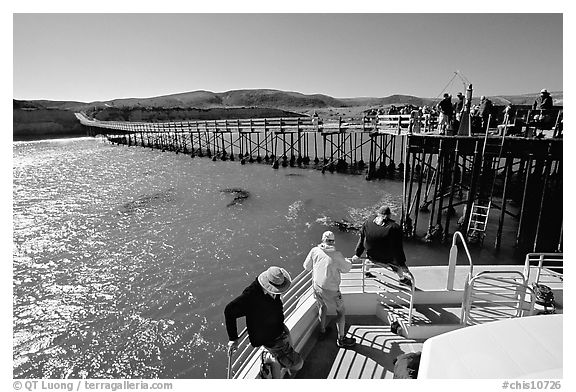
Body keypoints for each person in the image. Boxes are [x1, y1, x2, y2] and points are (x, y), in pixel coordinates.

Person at [225, 266, 303, 378]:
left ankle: (278, 359)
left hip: (279, 328)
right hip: (269, 337)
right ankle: (269, 356)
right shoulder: (250, 296)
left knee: (289, 340)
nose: (279, 292)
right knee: (298, 364)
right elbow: (229, 310)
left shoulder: (272, 289)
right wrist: (233, 339)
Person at [303, 231, 356, 348]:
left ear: (322, 240)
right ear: (333, 242)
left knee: (322, 307)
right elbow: (347, 268)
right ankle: (341, 339)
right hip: (331, 290)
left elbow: (306, 267)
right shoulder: (337, 255)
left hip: (317, 286)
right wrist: (347, 261)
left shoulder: (314, 251)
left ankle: (322, 331)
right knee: (341, 312)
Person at [352, 206, 414, 286]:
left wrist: (357, 254)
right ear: (389, 215)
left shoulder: (367, 222)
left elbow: (362, 239)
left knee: (368, 260)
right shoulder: (395, 228)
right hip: (387, 258)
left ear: (378, 213)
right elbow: (398, 248)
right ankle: (402, 279)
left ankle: (366, 272)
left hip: (372, 256)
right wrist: (402, 264)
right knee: (397, 265)